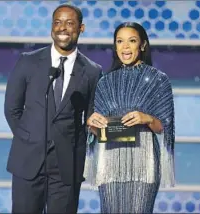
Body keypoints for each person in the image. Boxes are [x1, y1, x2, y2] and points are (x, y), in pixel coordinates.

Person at [4, 4, 102, 214]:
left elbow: (92, 118)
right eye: (57, 22)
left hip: (67, 167)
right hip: (28, 161)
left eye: (69, 23)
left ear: (81, 28)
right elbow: (12, 109)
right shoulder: (28, 61)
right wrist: (29, 138)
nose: (62, 28)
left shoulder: (93, 72)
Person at [84, 22, 175, 214]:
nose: (125, 47)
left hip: (144, 160)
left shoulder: (158, 79)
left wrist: (147, 118)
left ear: (142, 45)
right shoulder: (105, 82)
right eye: (120, 41)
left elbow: (164, 128)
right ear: (115, 46)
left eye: (131, 41)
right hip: (109, 160)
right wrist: (92, 123)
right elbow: (99, 131)